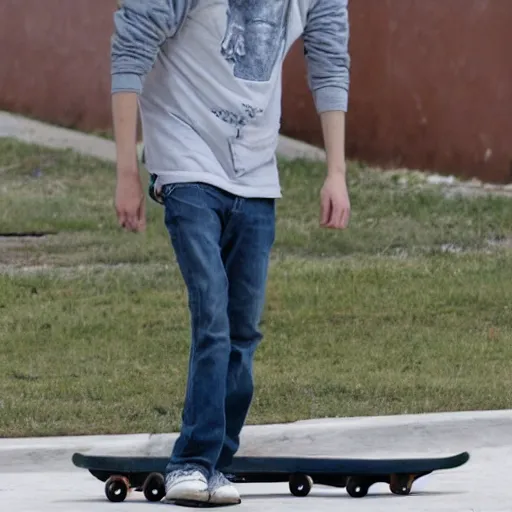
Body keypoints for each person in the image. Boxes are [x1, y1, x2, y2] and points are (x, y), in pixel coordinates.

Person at [111, 0, 351, 506]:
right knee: (213, 313)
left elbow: (329, 59)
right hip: (184, 158)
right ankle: (191, 462)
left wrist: (336, 173)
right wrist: (127, 173)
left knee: (243, 329)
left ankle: (217, 461)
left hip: (256, 168)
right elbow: (129, 49)